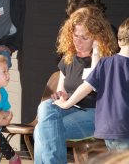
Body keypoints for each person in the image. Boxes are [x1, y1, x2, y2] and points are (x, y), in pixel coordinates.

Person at [33, 7, 118, 164]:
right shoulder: (69, 58)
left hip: (95, 114)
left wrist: (96, 53)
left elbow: (93, 84)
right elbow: (61, 91)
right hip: (70, 108)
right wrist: (60, 95)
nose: (78, 41)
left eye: (85, 38)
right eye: (75, 35)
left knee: (42, 130)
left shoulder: (107, 61)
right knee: (46, 108)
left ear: (97, 38)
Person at [54, 17, 129, 151]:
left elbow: (86, 86)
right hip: (125, 128)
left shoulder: (105, 63)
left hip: (107, 128)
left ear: (119, 40)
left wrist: (66, 104)